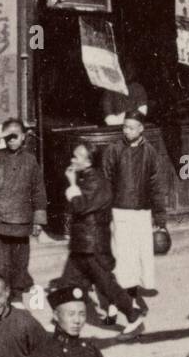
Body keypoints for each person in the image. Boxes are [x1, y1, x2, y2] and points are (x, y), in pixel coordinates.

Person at [62, 139, 145, 335]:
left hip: (93, 245)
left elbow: (79, 206)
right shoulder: (87, 178)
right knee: (69, 284)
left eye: (77, 156)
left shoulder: (96, 181)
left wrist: (72, 184)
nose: (72, 159)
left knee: (106, 285)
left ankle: (134, 316)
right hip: (83, 243)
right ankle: (62, 323)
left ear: (89, 162)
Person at [0, 118, 47, 308]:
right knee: (0, 265)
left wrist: (38, 220)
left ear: (24, 137)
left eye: (16, 136)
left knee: (20, 264)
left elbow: (38, 190)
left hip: (21, 221)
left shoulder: (30, 160)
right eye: (9, 136)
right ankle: (2, 299)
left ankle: (16, 296)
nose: (12, 140)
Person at [101, 112, 168, 317]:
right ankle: (114, 303)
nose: (127, 131)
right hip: (119, 211)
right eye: (124, 127)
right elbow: (105, 182)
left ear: (141, 129)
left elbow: (156, 186)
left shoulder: (150, 153)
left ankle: (130, 299)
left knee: (138, 258)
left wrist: (160, 217)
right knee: (121, 258)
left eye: (131, 127)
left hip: (141, 212)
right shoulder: (113, 150)